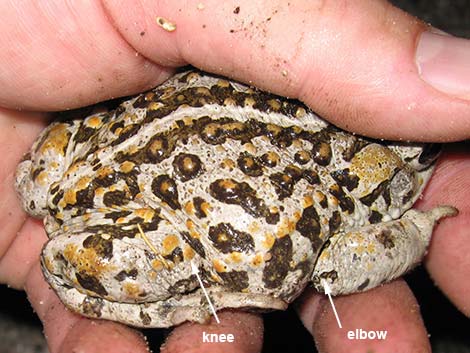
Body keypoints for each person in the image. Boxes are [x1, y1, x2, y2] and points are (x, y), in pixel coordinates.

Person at [1, 1, 469, 352]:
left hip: (88, 156)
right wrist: (412, 231)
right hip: (134, 220)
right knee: (94, 256)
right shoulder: (350, 190)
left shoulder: (316, 105)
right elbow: (336, 266)